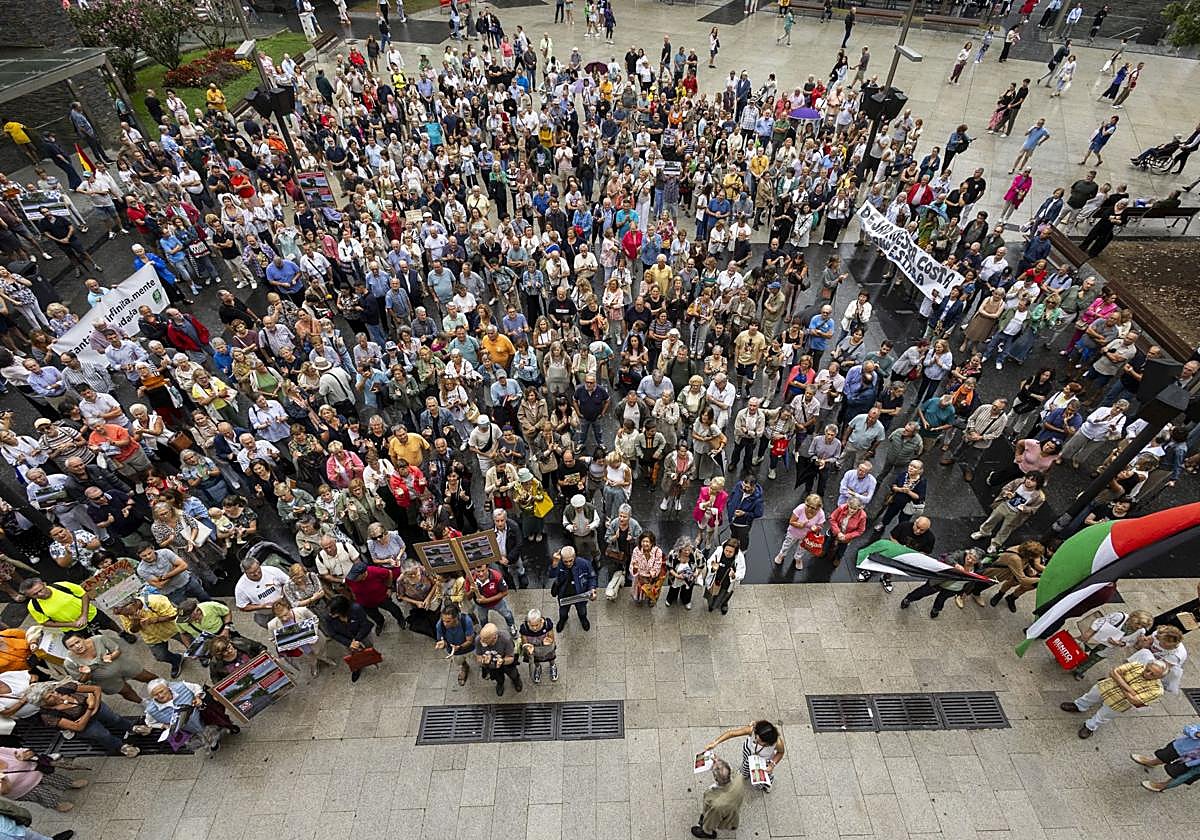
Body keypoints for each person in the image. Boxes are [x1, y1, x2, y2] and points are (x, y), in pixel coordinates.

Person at [25, 680, 139, 757]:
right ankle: (120, 747)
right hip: (86, 724)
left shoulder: (64, 688)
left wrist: (95, 704)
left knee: (115, 719)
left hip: (96, 708)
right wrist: (90, 708)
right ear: (41, 702)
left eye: (52, 691)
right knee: (103, 735)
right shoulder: (48, 715)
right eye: (49, 696)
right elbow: (78, 727)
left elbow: (95, 689)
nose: (55, 695)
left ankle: (131, 727)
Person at [1061, 659, 1168, 739]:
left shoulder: (1157, 690)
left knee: (1103, 716)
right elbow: (1113, 672)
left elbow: (1134, 701)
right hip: (1105, 687)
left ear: (1159, 677)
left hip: (1119, 703)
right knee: (1089, 696)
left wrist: (1119, 680)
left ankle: (1090, 727)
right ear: (1147, 665)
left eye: (1152, 674)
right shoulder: (1137, 665)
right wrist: (1129, 690)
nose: (1147, 674)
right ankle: (1079, 706)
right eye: (1148, 670)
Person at [704, 719, 786, 793]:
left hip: (764, 761)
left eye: (760, 742)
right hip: (749, 752)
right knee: (745, 766)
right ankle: (744, 774)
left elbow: (780, 753)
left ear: (768, 743)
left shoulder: (777, 743)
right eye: (756, 738)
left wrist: (772, 765)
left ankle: (764, 785)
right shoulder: (753, 730)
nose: (756, 741)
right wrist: (716, 742)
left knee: (764, 776)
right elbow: (731, 733)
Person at [1132, 724, 1200, 792]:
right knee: (1165, 755)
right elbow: (1188, 728)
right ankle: (1151, 763)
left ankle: (1162, 786)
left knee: (1183, 774)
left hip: (1194, 762)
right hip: (1182, 747)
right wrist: (1196, 734)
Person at [691, 757, 747, 838]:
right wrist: (719, 763)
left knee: (708, 822)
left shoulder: (717, 804)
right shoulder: (739, 778)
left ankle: (707, 834)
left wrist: (706, 827)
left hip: (723, 813)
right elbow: (728, 770)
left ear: (715, 778)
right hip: (734, 806)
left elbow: (711, 820)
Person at [549, 545, 597, 631]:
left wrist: (592, 589)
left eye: (570, 560)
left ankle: (583, 619)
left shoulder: (584, 564)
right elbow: (551, 575)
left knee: (582, 611)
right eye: (565, 561)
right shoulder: (559, 563)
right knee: (563, 612)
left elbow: (592, 577)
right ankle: (563, 620)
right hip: (564, 594)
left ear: (574, 556)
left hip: (580, 594)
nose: (568, 564)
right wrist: (555, 563)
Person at [475, 621, 522, 696]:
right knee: (498, 677)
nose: (482, 641)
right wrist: (483, 661)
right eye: (481, 638)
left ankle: (516, 681)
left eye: (485, 640)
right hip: (492, 666)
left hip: (505, 663)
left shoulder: (505, 639)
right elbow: (478, 656)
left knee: (513, 674)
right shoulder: (479, 640)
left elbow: (510, 658)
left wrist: (502, 661)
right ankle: (500, 684)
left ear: (494, 638)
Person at [434, 603, 477, 686]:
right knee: (459, 662)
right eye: (443, 620)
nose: (445, 623)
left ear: (456, 618)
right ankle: (465, 667)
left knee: (479, 660)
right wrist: (443, 644)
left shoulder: (466, 621)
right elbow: (441, 639)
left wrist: (459, 647)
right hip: (454, 652)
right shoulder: (440, 625)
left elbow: (470, 640)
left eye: (448, 621)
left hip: (470, 648)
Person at [703, 538, 746, 615]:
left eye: (730, 552)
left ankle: (723, 604)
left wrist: (734, 575)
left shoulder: (739, 557)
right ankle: (711, 605)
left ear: (735, 552)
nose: (727, 553)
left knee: (724, 595)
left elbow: (742, 572)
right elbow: (710, 562)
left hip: (727, 583)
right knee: (712, 594)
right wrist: (713, 568)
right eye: (726, 550)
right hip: (716, 580)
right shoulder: (719, 551)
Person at [518, 608, 558, 684]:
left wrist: (550, 640)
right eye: (532, 625)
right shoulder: (524, 628)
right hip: (534, 650)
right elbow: (524, 642)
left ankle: (553, 666)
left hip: (546, 648)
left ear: (541, 621)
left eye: (536, 625)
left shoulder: (547, 625)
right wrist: (527, 647)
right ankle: (538, 667)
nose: (534, 628)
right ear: (528, 622)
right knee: (536, 660)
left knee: (551, 657)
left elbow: (551, 637)